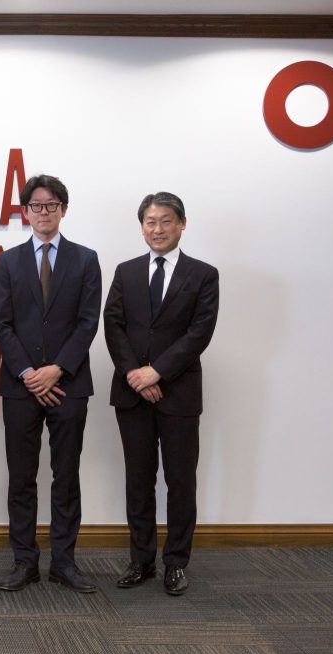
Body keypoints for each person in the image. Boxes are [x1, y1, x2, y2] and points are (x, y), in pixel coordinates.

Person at [103, 192, 219, 596]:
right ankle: (141, 560)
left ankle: (176, 563)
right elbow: (113, 325)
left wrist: (157, 372)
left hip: (179, 394)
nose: (157, 229)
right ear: (142, 227)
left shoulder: (203, 274)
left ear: (182, 223)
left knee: (180, 481)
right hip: (132, 393)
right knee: (138, 479)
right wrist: (135, 373)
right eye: (150, 222)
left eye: (166, 221)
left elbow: (199, 333)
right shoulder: (126, 271)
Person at [0, 174, 102, 593]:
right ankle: (24, 562)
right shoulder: (9, 261)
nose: (44, 212)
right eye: (36, 205)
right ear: (25, 212)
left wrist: (58, 369)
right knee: (21, 478)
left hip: (69, 385)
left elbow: (88, 322)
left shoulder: (86, 259)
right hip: (20, 387)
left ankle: (64, 562)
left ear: (63, 210)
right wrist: (28, 374)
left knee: (66, 475)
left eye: (51, 205)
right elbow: (1, 324)